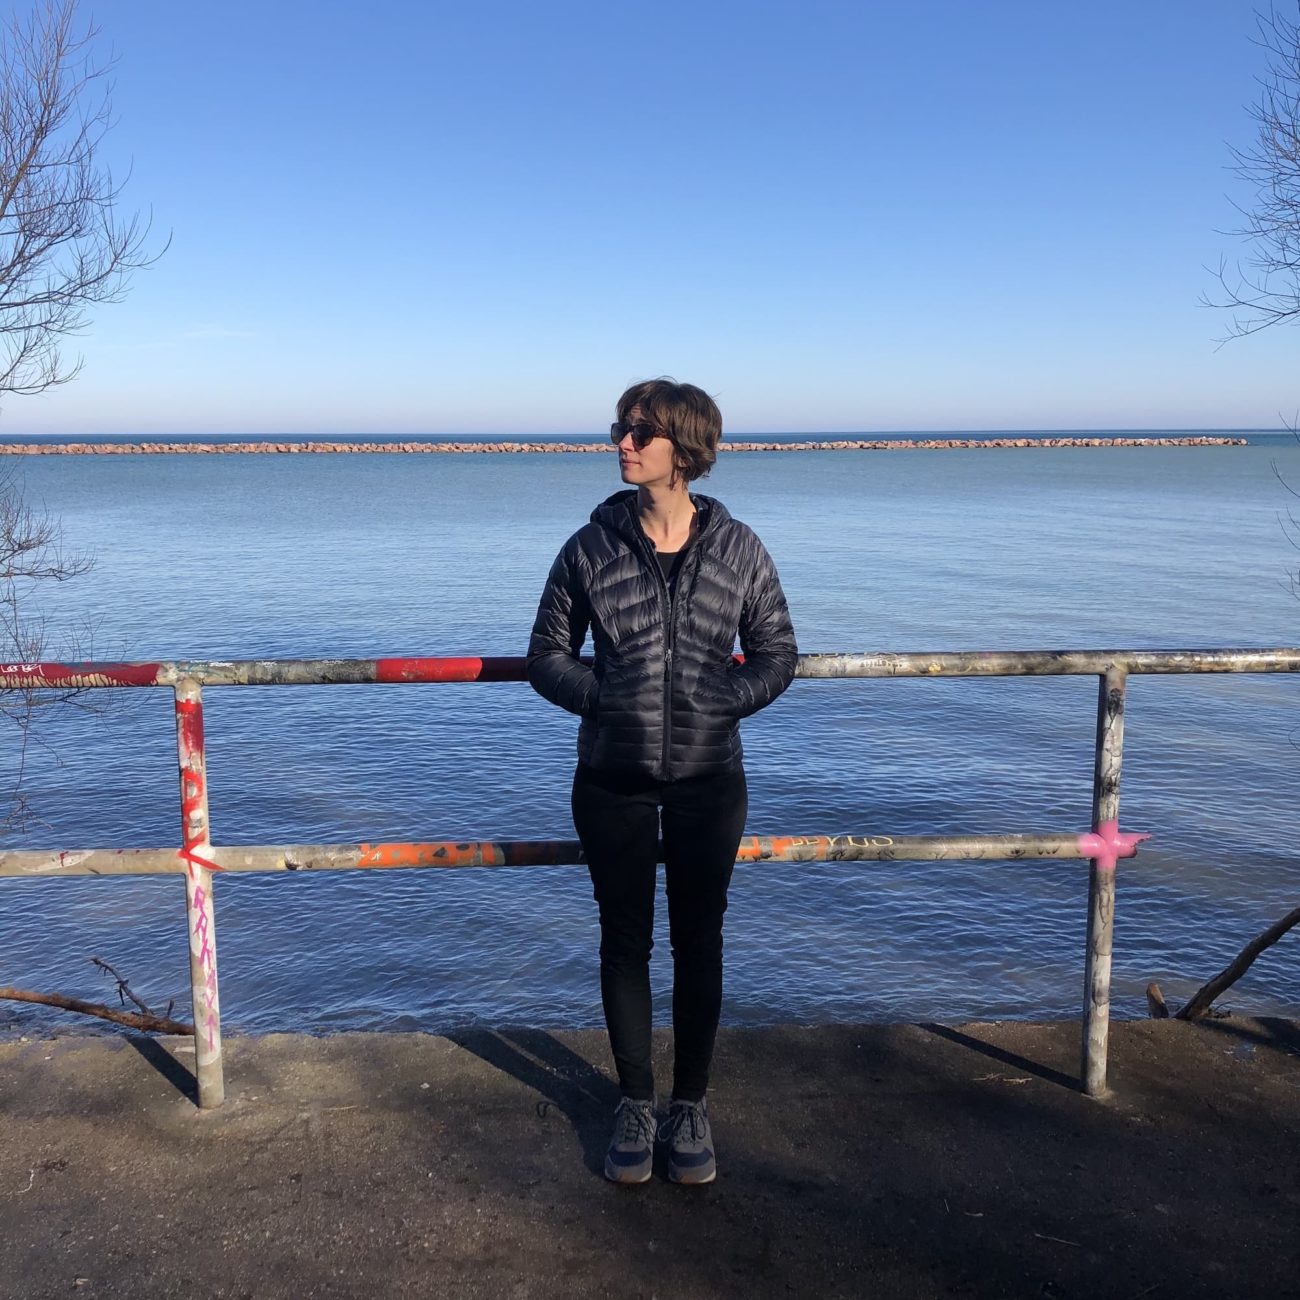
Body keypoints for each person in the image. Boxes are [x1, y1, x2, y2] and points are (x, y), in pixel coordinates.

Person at [527, 378, 797, 1185]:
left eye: (641, 432)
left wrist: (728, 698)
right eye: (621, 427)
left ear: (686, 448)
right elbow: (544, 655)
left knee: (699, 941)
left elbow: (780, 654)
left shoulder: (739, 548)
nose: (623, 442)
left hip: (710, 778)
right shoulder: (588, 547)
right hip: (612, 777)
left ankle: (692, 1106)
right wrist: (605, 697)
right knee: (624, 941)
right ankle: (636, 1102)